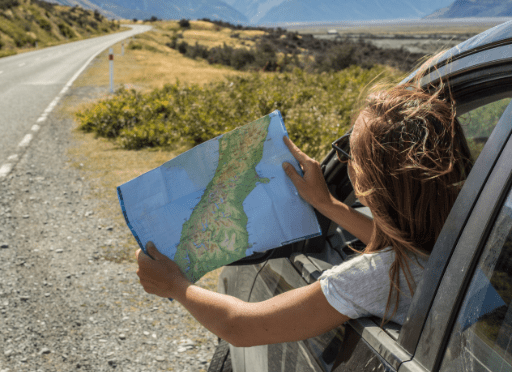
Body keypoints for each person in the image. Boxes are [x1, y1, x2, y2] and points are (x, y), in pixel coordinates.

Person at [134, 81, 473, 348]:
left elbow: (239, 326)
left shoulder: (379, 277)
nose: (343, 162)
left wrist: (176, 286)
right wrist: (327, 204)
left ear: (371, 182)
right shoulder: (468, 239)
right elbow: (410, 249)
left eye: (348, 154)